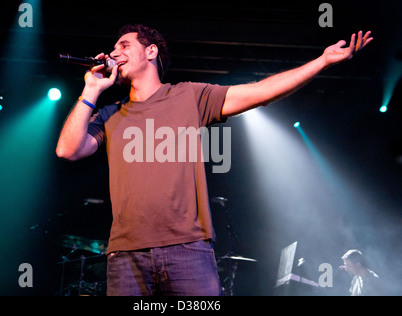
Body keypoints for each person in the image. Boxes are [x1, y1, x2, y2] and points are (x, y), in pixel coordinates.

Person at [56, 24, 373, 296]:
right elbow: (68, 150)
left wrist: (322, 61)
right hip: (125, 254)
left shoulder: (189, 96)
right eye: (114, 47)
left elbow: (260, 92)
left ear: (150, 52)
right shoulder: (110, 114)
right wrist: (92, 90)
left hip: (188, 250)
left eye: (124, 45)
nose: (114, 52)